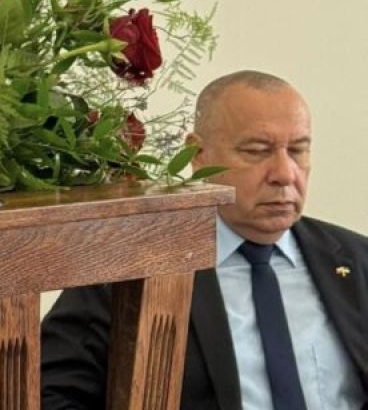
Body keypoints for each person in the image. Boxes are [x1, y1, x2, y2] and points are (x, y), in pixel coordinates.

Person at [40, 70, 368, 409]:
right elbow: (49, 395)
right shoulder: (130, 267)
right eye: (257, 151)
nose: (285, 174)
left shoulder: (356, 261)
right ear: (197, 154)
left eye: (298, 150)